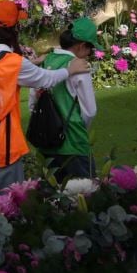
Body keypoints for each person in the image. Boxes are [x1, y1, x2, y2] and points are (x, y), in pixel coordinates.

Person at [0, 0, 92, 196]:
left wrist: (32, 62)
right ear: (14, 29)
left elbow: (1, 69)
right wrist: (69, 69)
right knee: (10, 210)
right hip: (1, 150)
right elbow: (45, 80)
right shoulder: (16, 63)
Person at [28, 19, 102, 180]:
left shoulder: (44, 60)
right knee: (83, 197)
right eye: (90, 48)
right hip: (74, 144)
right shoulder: (78, 65)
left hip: (45, 142)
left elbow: (32, 102)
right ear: (81, 46)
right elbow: (90, 111)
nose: (90, 53)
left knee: (51, 198)